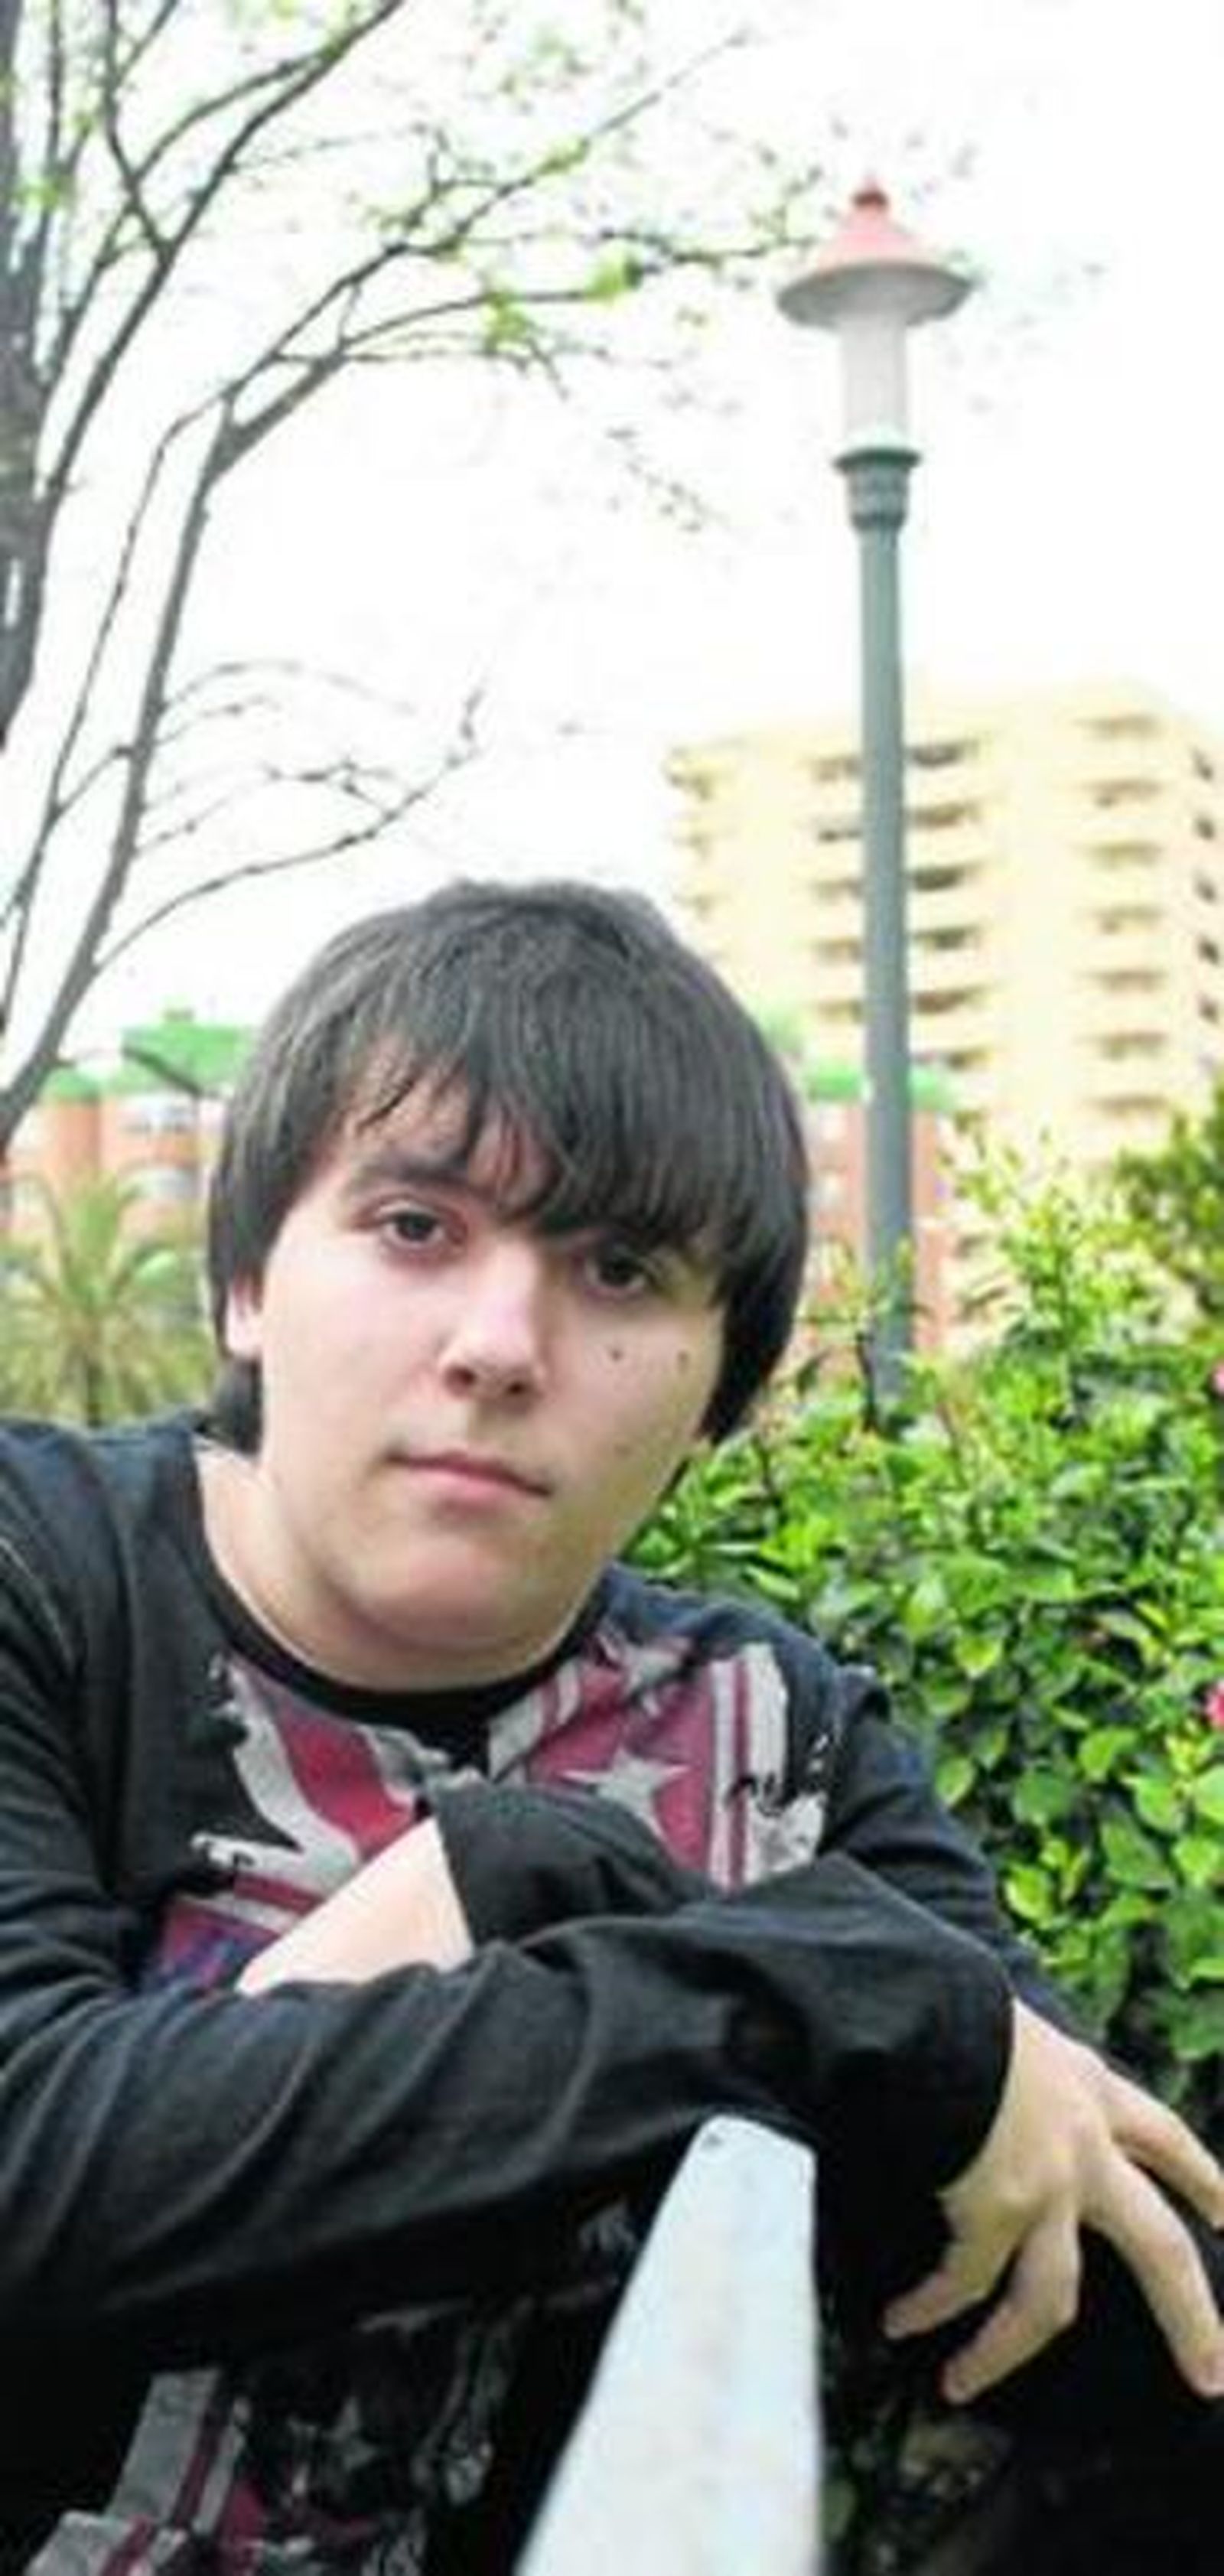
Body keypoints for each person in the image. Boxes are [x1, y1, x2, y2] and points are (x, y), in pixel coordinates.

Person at [0, 876, 1220, 2574]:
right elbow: (35, 2179)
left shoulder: (770, 1741)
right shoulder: (43, 1576)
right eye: (414, 1226)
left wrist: (858, 2029)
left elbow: (1140, 2311)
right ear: (250, 1285)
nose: (501, 1346)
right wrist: (620, 1909)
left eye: (620, 1268)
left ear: (720, 1393)